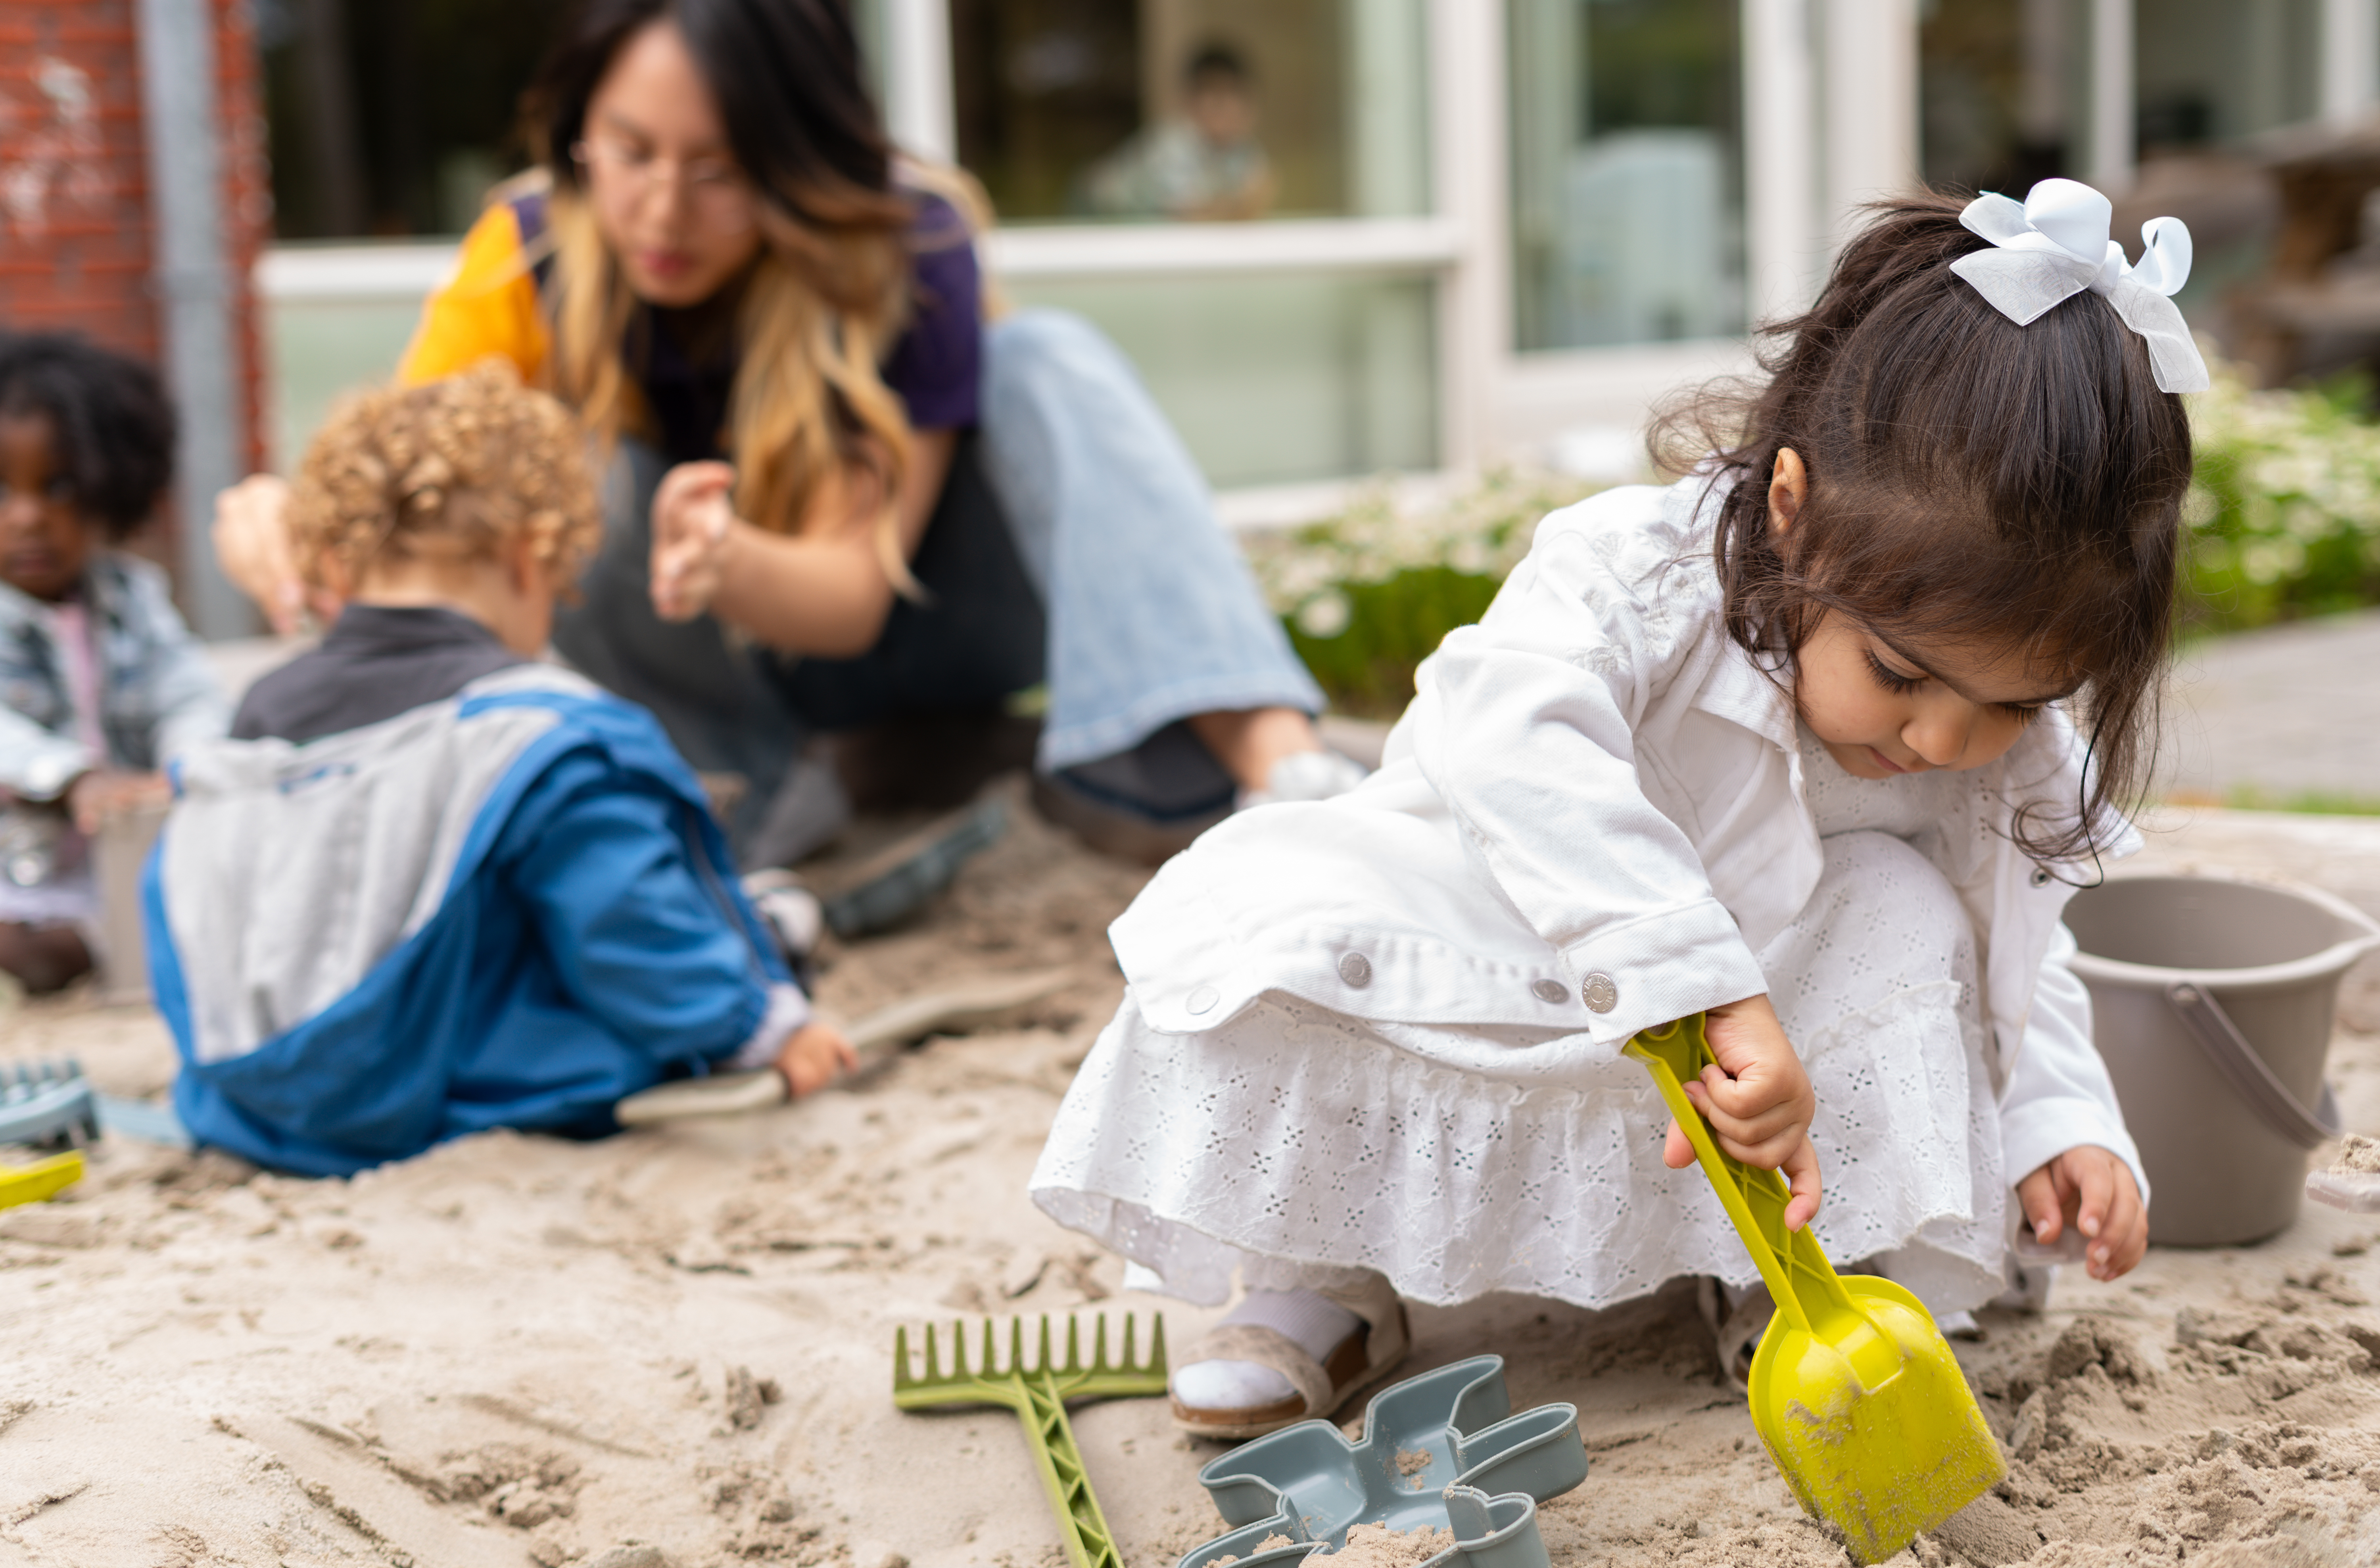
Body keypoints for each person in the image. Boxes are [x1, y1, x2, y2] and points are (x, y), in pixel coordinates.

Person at [1030, 180, 2198, 1438]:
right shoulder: (1632, 578)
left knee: (1910, 909)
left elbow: (2013, 932)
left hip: (1759, 1045)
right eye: (1899, 674)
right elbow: (1511, 744)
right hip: (1494, 945)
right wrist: (1703, 988)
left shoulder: (1980, 733)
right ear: (1794, 511)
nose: (1943, 741)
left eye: (2014, 704)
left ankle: (1797, 1275)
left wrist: (2057, 1116)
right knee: (1274, 917)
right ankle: (1322, 1273)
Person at [212, 0, 1347, 871]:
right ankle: (748, 807)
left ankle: (1286, 776)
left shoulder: (910, 243)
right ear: (577, 130)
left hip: (921, 615)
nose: (663, 210)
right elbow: (407, 488)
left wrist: (729, 561)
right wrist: (286, 517)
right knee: (563, 466)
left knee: (1048, 355)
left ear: (799, 162)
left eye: (720, 172)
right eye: (630, 152)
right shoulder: (527, 254)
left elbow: (853, 597)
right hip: (729, 694)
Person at [154, 367, 856, 1178]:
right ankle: (764, 941)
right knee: (621, 909)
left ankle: (760, 927)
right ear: (529, 560)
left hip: (253, 1101)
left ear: (338, 572)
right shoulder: (543, 731)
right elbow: (626, 918)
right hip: (447, 1088)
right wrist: (760, 1030)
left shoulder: (257, 718)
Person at [0, 332, 227, 994]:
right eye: (1, 491)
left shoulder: (133, 597)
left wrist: (186, 762)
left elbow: (184, 688)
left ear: (112, 484)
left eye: (60, 488)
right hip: (19, 871)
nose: (29, 518)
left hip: (119, 857)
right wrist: (71, 777)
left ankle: (103, 942)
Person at [1084, 43, 1275, 222]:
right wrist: (1241, 206)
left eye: (1236, 96)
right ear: (1190, 101)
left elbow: (1259, 192)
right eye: (1216, 100)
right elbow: (1191, 215)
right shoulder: (1172, 145)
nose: (1227, 109)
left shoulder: (1243, 149)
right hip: (1096, 211)